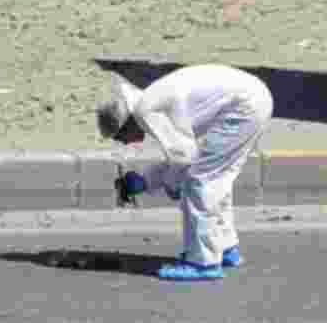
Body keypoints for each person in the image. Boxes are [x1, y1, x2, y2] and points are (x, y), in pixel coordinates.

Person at [97, 64, 274, 281]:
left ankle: (203, 262)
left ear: (125, 124)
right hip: (255, 99)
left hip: (245, 106)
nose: (124, 143)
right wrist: (146, 180)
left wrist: (171, 185)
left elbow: (183, 159)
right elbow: (184, 155)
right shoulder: (152, 101)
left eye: (119, 137)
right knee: (215, 179)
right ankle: (225, 246)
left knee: (200, 183)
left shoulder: (146, 110)